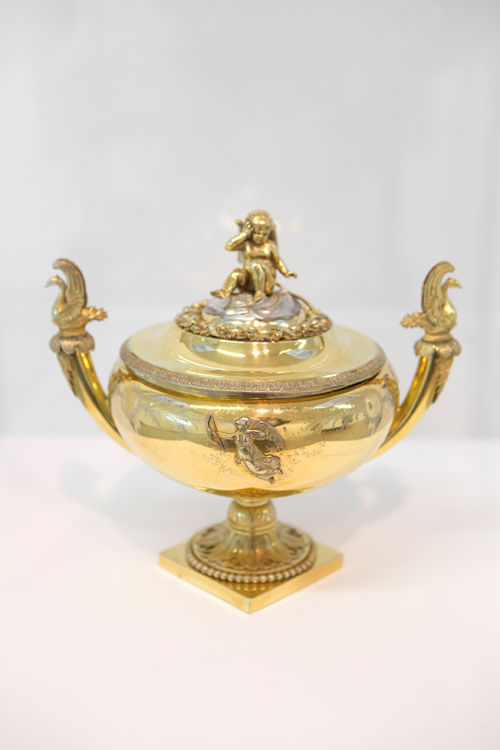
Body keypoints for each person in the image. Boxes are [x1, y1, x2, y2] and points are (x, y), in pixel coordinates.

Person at [211, 210, 297, 303]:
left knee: (255, 265)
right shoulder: (247, 244)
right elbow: (229, 246)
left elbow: (278, 261)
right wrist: (244, 234)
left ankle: (259, 293)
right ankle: (224, 292)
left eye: (264, 234)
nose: (260, 236)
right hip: (248, 281)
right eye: (257, 233)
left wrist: (286, 272)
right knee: (236, 273)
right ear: (251, 232)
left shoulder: (269, 246)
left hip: (266, 283)